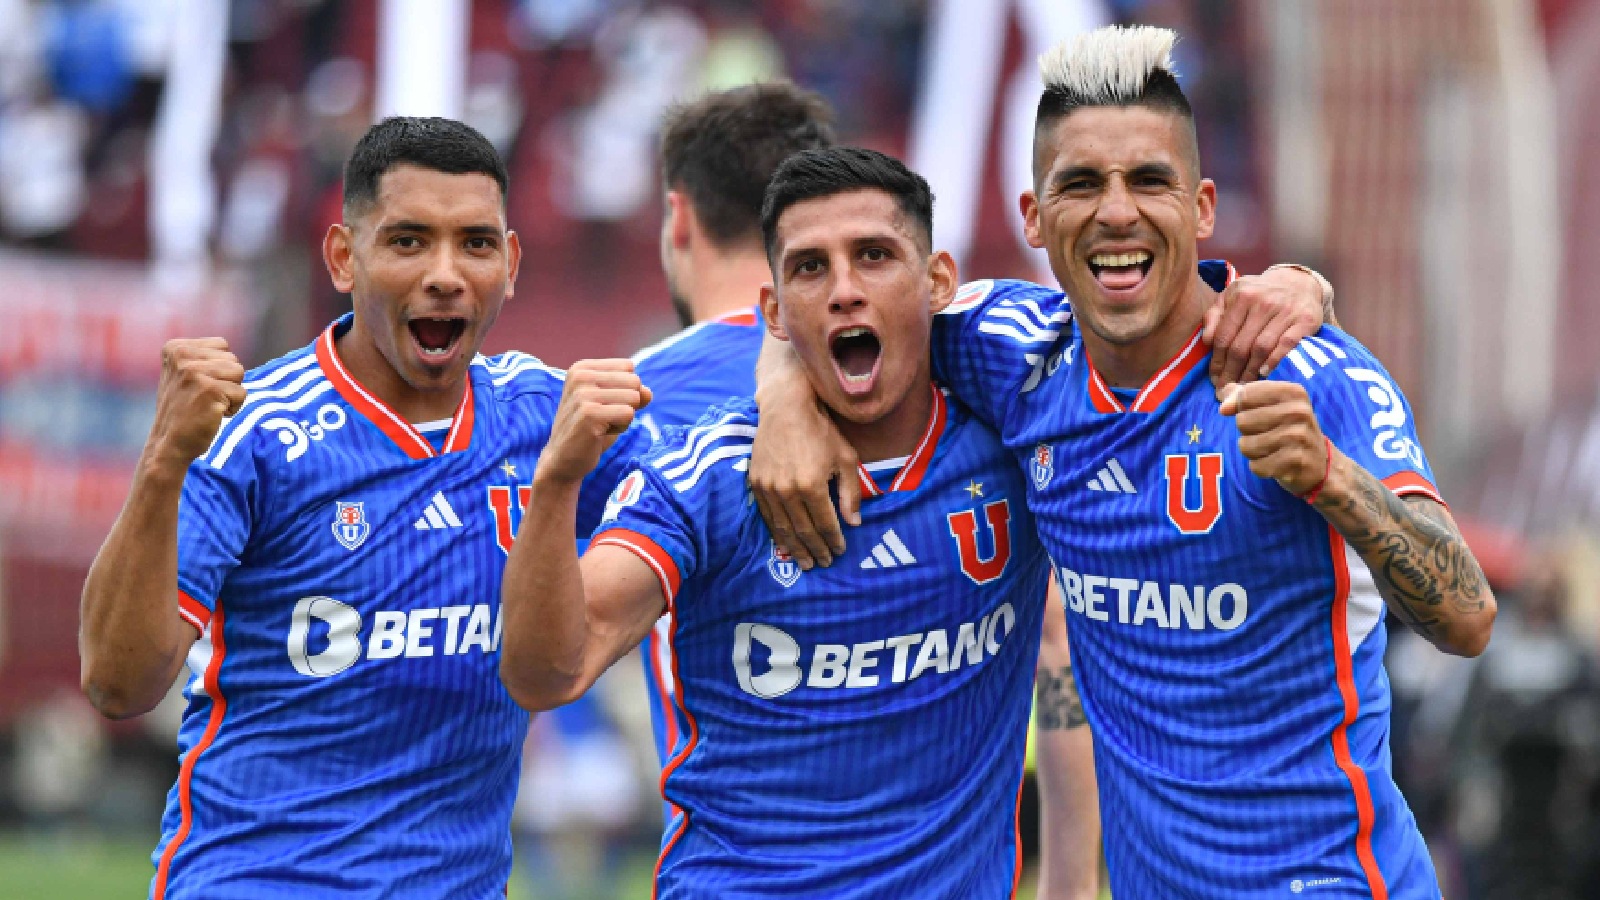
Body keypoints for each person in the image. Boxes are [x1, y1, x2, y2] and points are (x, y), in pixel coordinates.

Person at [749, 26, 1498, 898]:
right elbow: (850, 319)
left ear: (1202, 207)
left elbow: (1468, 616)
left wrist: (1331, 476)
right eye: (1079, 185)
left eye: (1149, 181)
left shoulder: (1308, 373)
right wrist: (783, 397)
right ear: (1032, 217)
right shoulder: (1011, 356)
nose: (1116, 211)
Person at [637, 80, 1331, 900]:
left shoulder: (633, 404)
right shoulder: (970, 379)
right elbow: (1056, 642)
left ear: (678, 219)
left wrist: (786, 378)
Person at [78, 117, 648, 899]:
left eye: (476, 244)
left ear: (511, 264)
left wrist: (787, 393)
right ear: (345, 258)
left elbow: (725, 458)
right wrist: (160, 465)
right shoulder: (254, 431)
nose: (446, 273)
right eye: (409, 241)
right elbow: (117, 682)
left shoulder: (546, 417)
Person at [501, 147, 1060, 897]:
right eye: (809, 268)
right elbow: (548, 670)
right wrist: (557, 481)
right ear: (772, 313)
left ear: (939, 283)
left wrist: (1280, 286)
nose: (844, 291)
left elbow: (1158, 331)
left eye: (874, 256)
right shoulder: (706, 476)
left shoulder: (1013, 434)